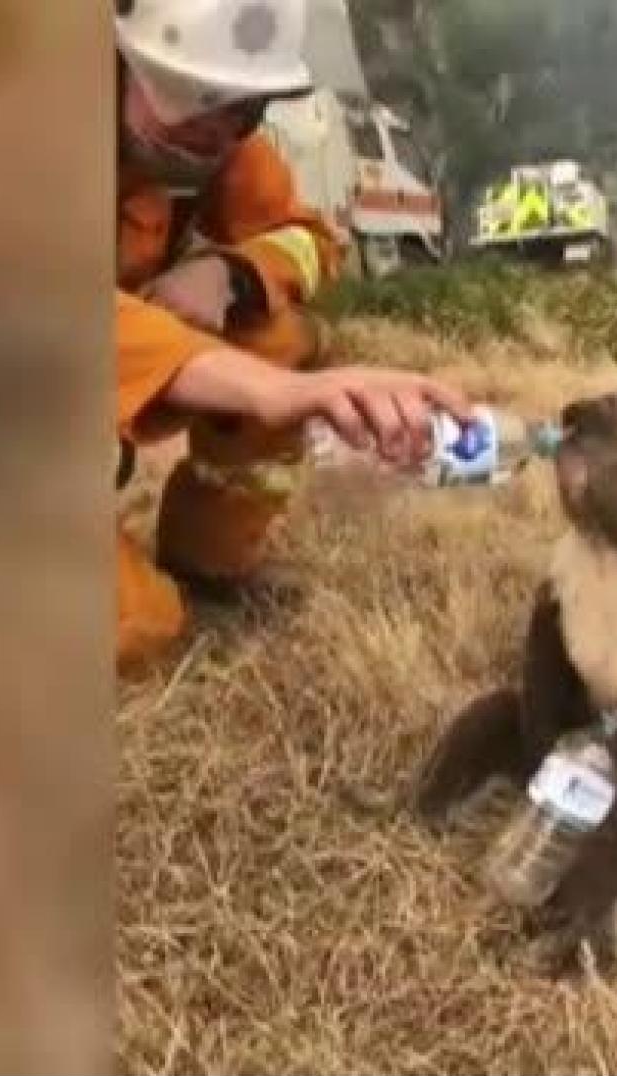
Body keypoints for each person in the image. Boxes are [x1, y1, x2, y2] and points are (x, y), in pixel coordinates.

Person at [113, 0, 473, 674]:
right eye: (194, 101)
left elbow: (309, 238)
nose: (215, 135)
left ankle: (210, 569)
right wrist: (276, 391)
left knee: (277, 334)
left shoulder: (221, 146)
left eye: (243, 111)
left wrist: (231, 272)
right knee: (137, 627)